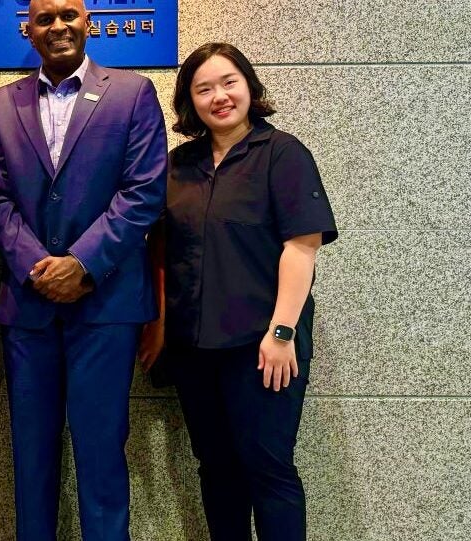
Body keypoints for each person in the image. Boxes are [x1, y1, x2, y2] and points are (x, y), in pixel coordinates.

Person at [0, 0, 167, 537]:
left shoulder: (132, 93)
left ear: (89, 22)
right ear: (29, 30)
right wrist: (41, 268)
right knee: (30, 460)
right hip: (29, 306)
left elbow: (144, 193)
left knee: (102, 456)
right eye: (45, 18)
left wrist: (82, 264)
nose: (58, 26)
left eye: (69, 14)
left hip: (105, 307)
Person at [137, 42, 338, 541]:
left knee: (268, 469)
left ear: (249, 86)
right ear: (190, 101)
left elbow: (301, 248)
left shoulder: (283, 154)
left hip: (263, 347)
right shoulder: (177, 165)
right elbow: (159, 248)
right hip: (193, 348)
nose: (219, 96)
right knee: (217, 469)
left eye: (229, 82)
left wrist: (283, 331)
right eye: (203, 89)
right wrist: (159, 327)